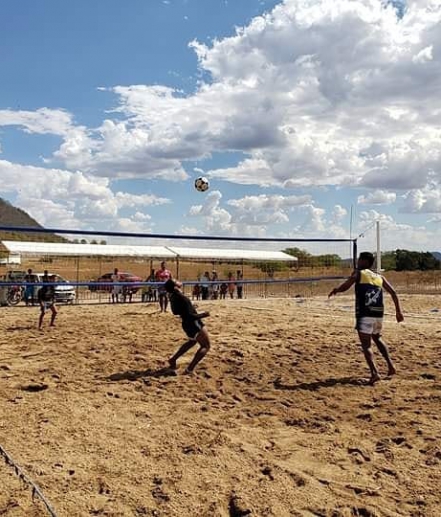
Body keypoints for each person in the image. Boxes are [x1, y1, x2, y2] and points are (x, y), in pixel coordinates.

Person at [328, 251, 404, 385]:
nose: (357, 262)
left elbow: (346, 287)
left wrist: (336, 290)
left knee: (366, 344)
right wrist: (398, 312)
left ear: (364, 261)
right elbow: (393, 292)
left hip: (365, 313)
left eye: (359, 259)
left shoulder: (358, 273)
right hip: (378, 313)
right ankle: (391, 366)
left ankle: (374, 373)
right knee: (377, 337)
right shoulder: (379, 276)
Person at [165, 279, 211, 374]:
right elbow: (191, 316)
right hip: (193, 323)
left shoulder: (173, 296)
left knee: (192, 341)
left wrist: (190, 307)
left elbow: (176, 311)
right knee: (206, 346)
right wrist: (204, 314)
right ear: (175, 286)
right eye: (176, 281)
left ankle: (173, 359)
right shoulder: (182, 297)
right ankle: (189, 369)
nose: (178, 281)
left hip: (185, 323)